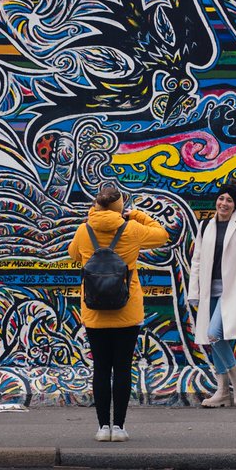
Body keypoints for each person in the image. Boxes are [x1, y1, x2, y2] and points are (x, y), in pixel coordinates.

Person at [67, 183, 169, 442]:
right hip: (127, 311)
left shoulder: (84, 229)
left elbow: (73, 256)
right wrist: (135, 215)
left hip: (93, 312)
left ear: (97, 205)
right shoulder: (132, 229)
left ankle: (102, 428)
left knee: (101, 368)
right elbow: (161, 235)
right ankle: (119, 428)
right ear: (119, 206)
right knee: (122, 368)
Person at [187, 183, 236, 407]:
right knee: (214, 340)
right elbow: (198, 260)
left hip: (230, 291)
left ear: (234, 205)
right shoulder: (205, 226)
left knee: (213, 334)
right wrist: (194, 291)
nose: (224, 203)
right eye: (221, 198)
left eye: (229, 200)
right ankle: (222, 392)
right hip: (208, 292)